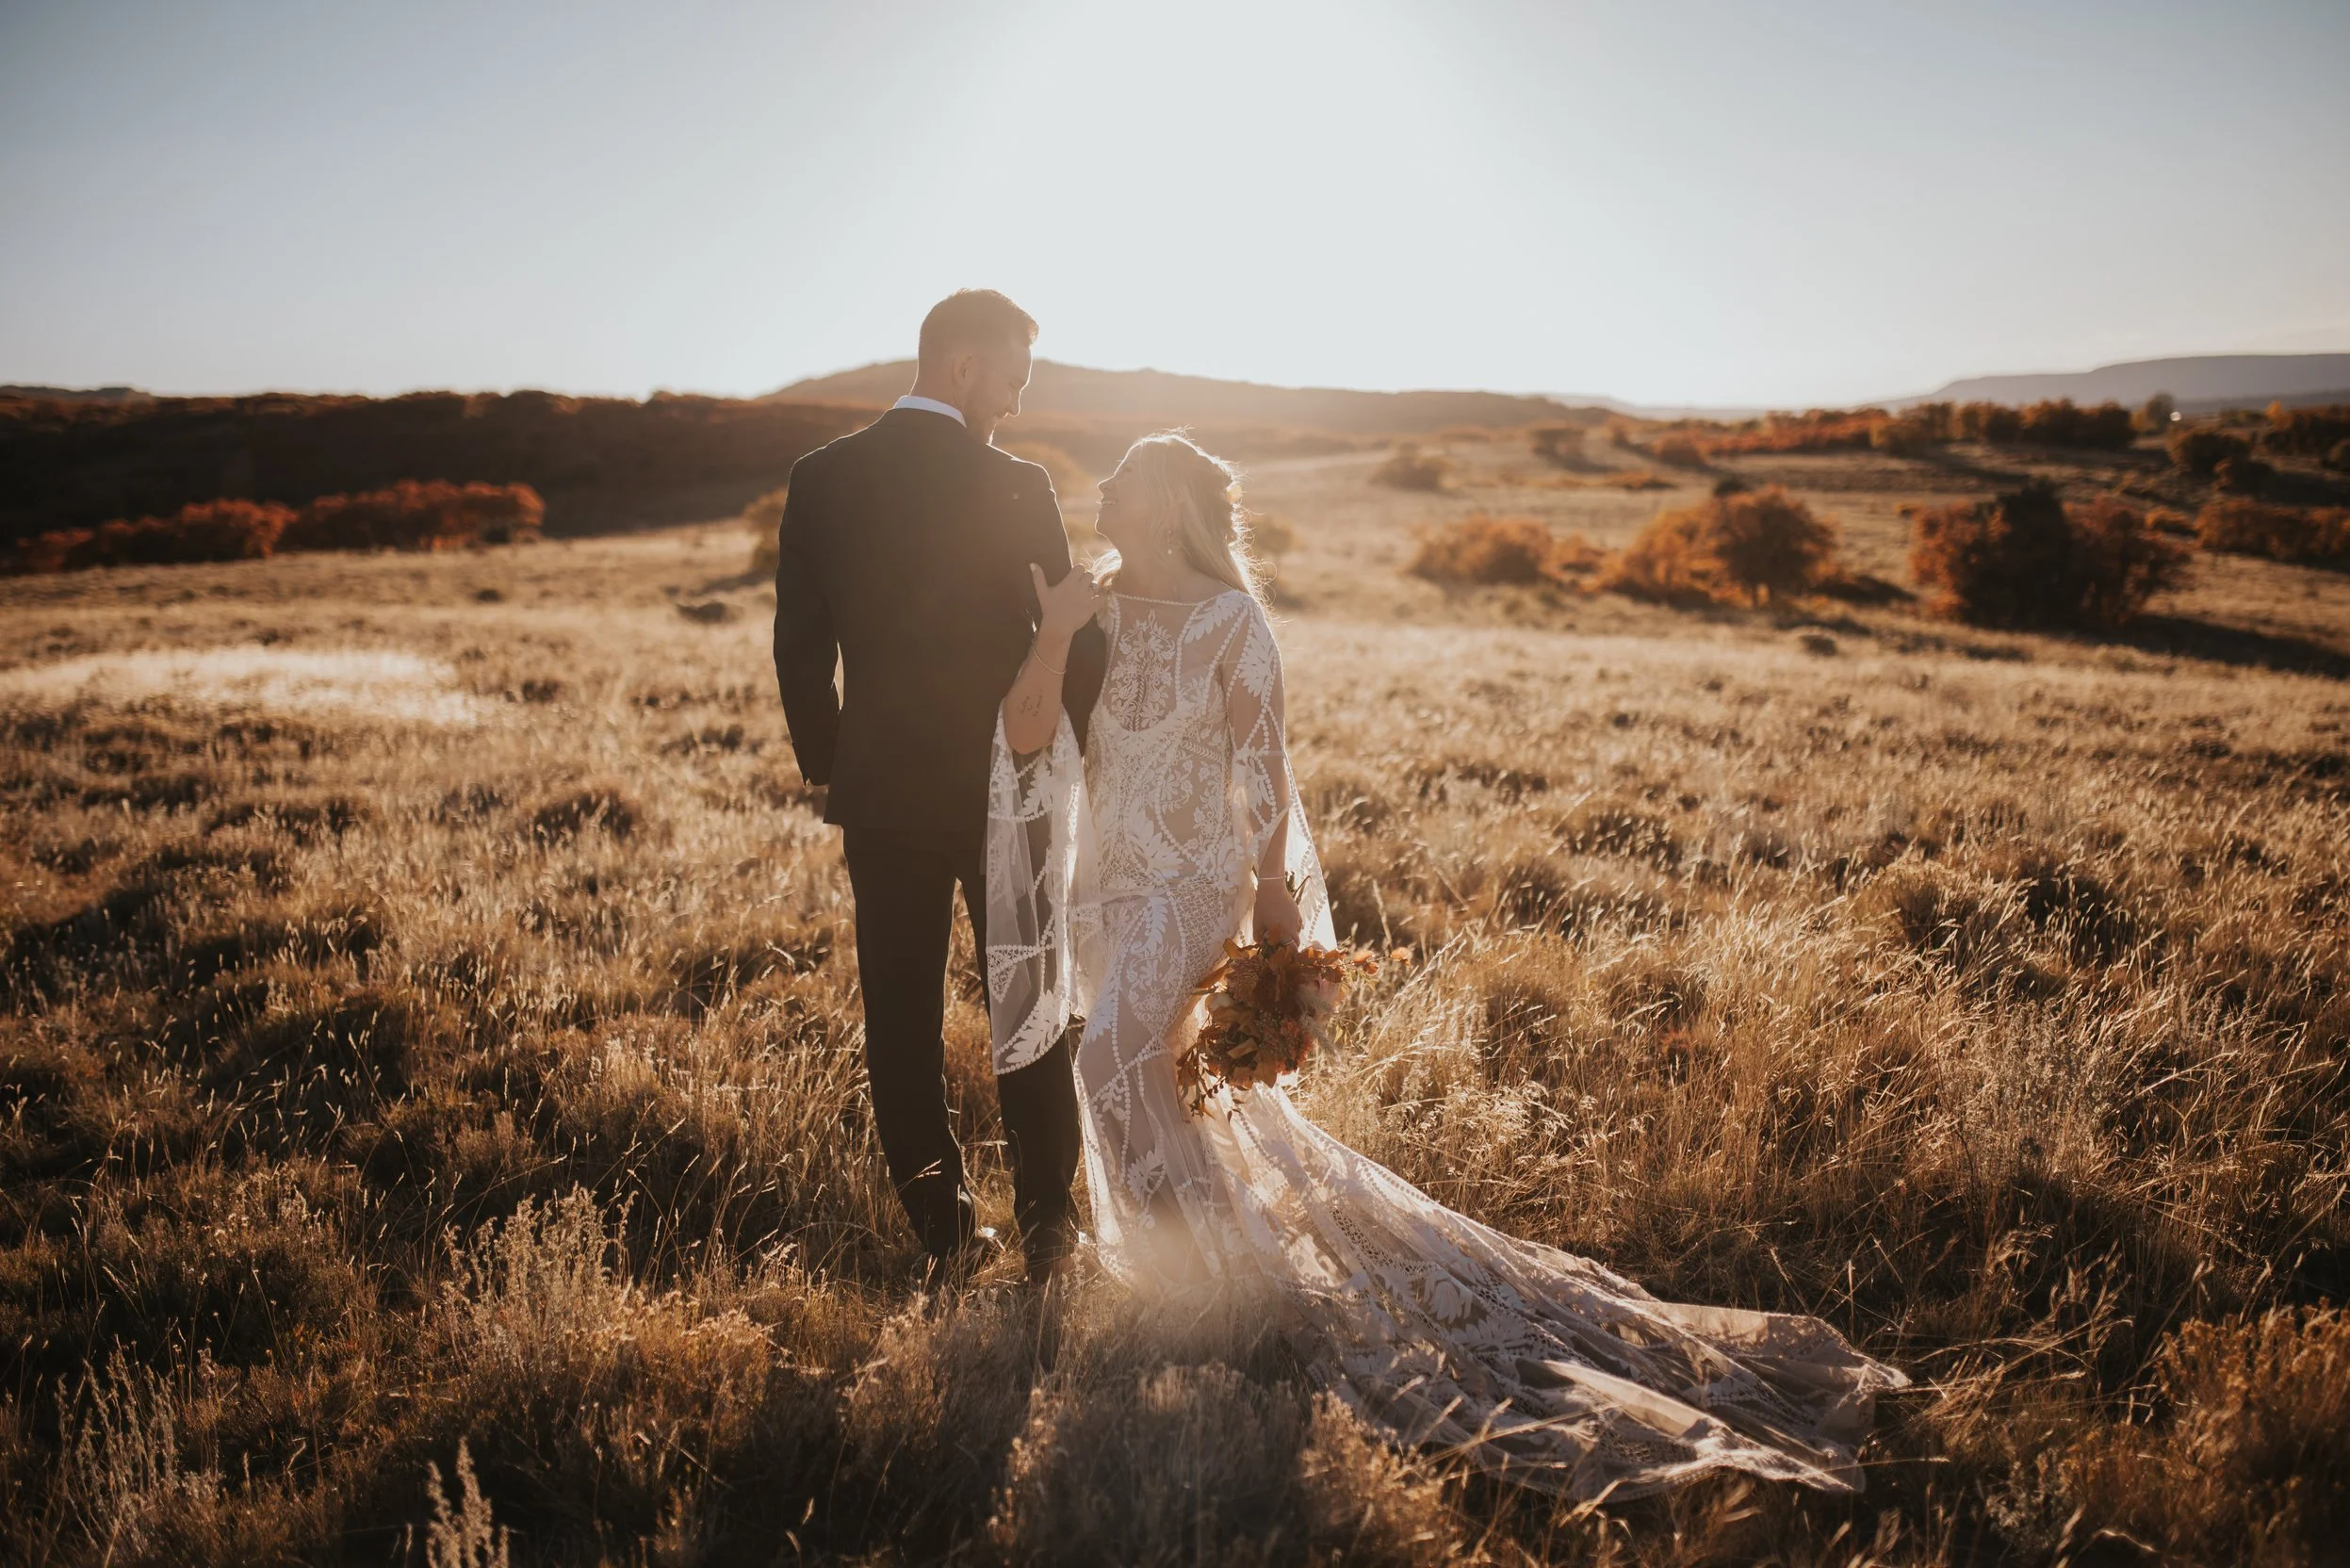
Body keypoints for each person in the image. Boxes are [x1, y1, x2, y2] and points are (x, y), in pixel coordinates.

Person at [983, 432, 1908, 1501]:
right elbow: (1022, 730)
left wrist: (1274, 899)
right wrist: (1052, 631)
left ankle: (1211, 1284)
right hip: (1108, 886)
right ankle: (1203, 1287)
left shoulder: (1230, 619)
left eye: (1125, 475)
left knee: (1107, 1059)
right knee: (1158, 1083)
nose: (1104, 487)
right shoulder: (1085, 603)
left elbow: (1264, 775)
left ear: (1169, 506)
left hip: (1191, 886)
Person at [773, 288, 1102, 1287]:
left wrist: (835, 761)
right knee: (1031, 998)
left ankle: (945, 1232)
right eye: (1009, 379)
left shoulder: (820, 477)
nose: (1012, 402)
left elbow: (799, 644)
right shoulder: (1017, 485)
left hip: (880, 794)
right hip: (1010, 786)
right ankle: (1049, 1223)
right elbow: (1067, 635)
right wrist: (1092, 760)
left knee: (901, 1015)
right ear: (961, 367)